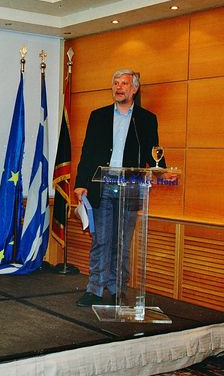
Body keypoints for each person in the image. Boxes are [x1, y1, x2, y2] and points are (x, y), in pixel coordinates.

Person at [74, 69, 165, 307]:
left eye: (124, 83)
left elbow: (152, 151)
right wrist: (81, 183)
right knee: (101, 240)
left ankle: (117, 289)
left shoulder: (146, 119)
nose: (119, 87)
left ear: (134, 89)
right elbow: (87, 151)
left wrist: (160, 168)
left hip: (131, 187)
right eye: (115, 83)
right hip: (102, 185)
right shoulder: (99, 116)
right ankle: (94, 289)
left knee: (122, 242)